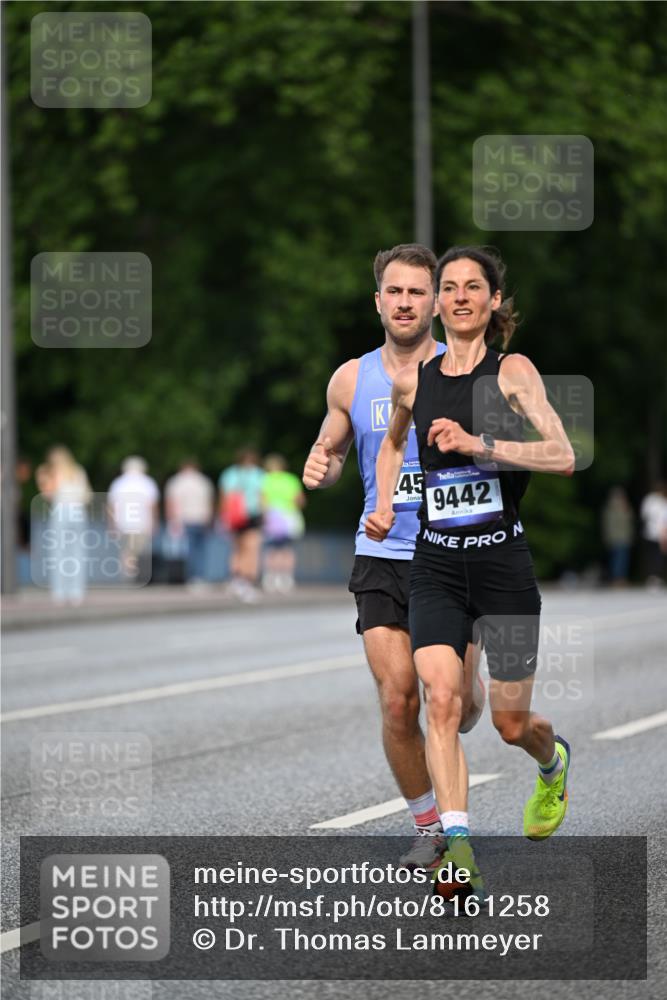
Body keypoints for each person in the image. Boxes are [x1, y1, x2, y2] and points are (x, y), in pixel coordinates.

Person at [366, 245, 575, 897]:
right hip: (434, 564)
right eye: (447, 287)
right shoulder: (413, 380)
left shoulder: (511, 371)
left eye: (471, 287)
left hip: (501, 566)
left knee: (512, 725)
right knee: (441, 700)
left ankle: (551, 760)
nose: (457, 296)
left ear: (491, 303)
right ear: (436, 302)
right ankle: (458, 850)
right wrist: (381, 499)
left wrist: (479, 444)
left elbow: (563, 454)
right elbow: (394, 438)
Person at [303, 244, 485, 871]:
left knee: (457, 706)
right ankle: (432, 827)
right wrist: (319, 467)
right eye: (394, 292)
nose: (405, 303)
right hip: (380, 550)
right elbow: (329, 449)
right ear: (377, 299)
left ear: (435, 301)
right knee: (397, 699)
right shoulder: (351, 377)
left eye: (417, 292)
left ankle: (469, 680)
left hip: (452, 551)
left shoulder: (462, 367)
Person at [36, 446, 92, 605]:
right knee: (78, 554)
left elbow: (48, 494)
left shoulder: (52, 472)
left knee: (59, 554)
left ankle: (60, 593)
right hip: (78, 511)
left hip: (61, 511)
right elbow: (87, 495)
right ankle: (77, 593)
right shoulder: (78, 471)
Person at [219, 448, 265, 602]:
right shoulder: (259, 474)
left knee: (237, 549)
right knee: (251, 549)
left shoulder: (230, 474)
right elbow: (262, 497)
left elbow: (225, 497)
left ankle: (236, 580)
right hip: (252, 514)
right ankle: (247, 582)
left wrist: (224, 516)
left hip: (234, 515)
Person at [108, 456, 160, 582]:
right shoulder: (148, 483)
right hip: (142, 523)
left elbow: (112, 506)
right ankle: (138, 577)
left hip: (123, 523)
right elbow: (152, 506)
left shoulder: (118, 483)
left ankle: (128, 576)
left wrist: (111, 525)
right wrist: (155, 522)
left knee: (127, 551)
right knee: (140, 552)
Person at [165, 460, 215, 585]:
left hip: (183, 519)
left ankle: (190, 576)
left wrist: (171, 520)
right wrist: (209, 519)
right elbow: (209, 502)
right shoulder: (203, 482)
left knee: (188, 550)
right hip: (200, 519)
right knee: (200, 550)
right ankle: (199, 576)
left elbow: (171, 503)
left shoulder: (176, 482)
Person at [261, 454, 305, 593]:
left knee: (271, 549)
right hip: (288, 517)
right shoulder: (291, 479)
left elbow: (262, 500)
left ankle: (270, 577)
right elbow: (300, 500)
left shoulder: (265, 479)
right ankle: (286, 578)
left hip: (272, 517)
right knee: (287, 549)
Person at [601, 486, 634, 586]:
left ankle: (620, 578)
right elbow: (608, 524)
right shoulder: (610, 509)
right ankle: (616, 579)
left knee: (623, 559)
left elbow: (630, 521)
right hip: (616, 537)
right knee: (617, 559)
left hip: (624, 537)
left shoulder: (625, 508)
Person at [639, 481, 667, 586]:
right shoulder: (662, 502)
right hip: (657, 534)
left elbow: (644, 516)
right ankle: (654, 577)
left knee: (652, 556)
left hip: (649, 532)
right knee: (657, 556)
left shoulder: (648, 499)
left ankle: (653, 577)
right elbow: (663, 521)